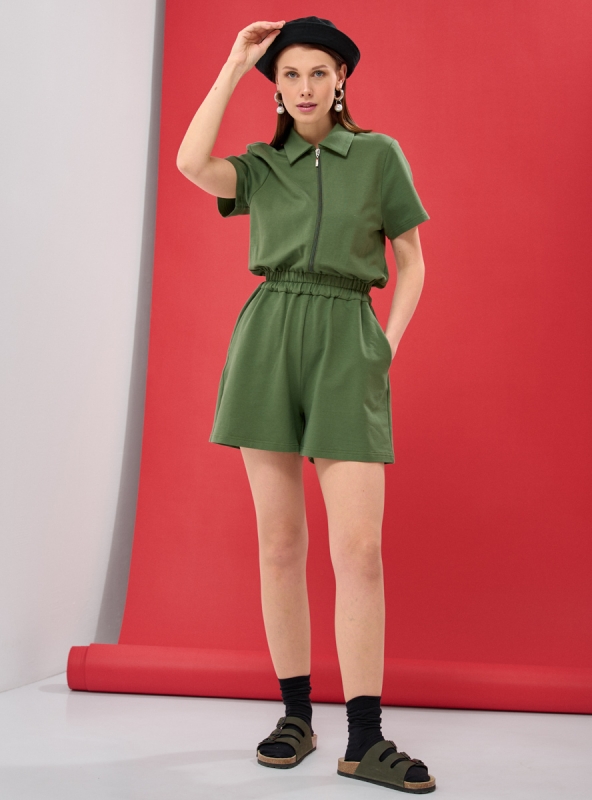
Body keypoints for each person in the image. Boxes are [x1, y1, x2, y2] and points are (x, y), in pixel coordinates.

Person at [177, 16, 435, 794]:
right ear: (278, 89)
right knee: (281, 543)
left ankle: (366, 739)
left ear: (342, 79)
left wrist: (385, 345)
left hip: (347, 337)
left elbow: (413, 260)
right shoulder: (262, 166)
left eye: (318, 72)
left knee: (359, 550)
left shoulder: (379, 155)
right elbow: (191, 163)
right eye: (290, 75)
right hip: (269, 339)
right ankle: (296, 716)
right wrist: (234, 65)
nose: (305, 87)